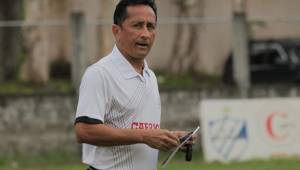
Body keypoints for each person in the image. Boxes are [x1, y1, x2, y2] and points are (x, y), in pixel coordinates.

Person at [74, 0, 195, 170]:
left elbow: (141, 129)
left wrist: (169, 138)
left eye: (150, 26)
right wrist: (144, 136)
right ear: (116, 31)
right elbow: (84, 131)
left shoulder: (150, 76)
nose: (145, 34)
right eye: (137, 25)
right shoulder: (99, 74)